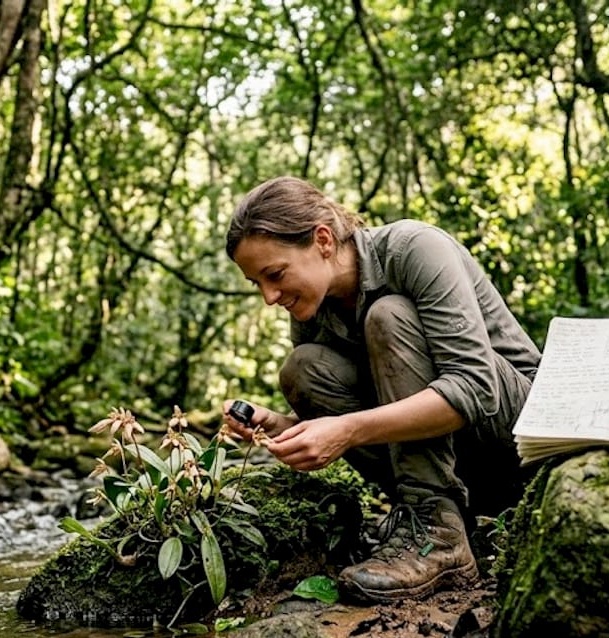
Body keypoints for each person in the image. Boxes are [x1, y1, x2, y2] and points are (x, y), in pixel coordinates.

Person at [222, 176, 541, 603]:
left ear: (322, 240)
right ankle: (438, 520)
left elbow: (475, 388)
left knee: (389, 315)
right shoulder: (312, 306)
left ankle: (437, 533)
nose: (269, 296)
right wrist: (286, 428)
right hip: (460, 467)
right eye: (257, 283)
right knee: (303, 368)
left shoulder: (415, 249)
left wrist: (346, 430)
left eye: (275, 275)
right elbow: (379, 402)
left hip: (520, 441)